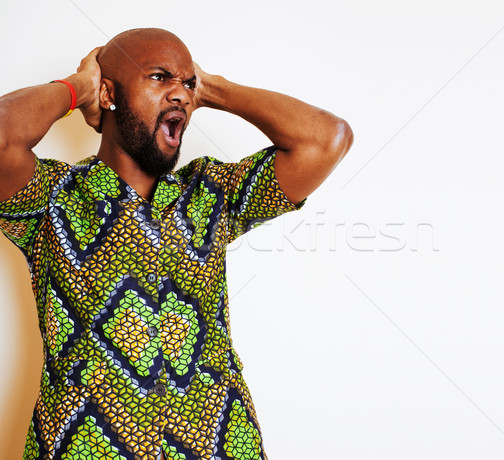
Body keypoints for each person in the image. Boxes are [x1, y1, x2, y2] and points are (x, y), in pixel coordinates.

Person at [0, 28, 352, 460]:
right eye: (159, 76)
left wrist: (211, 89)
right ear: (108, 93)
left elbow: (326, 139)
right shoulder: (52, 198)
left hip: (221, 443)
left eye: (187, 84)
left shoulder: (211, 194)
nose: (181, 95)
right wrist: (78, 88)